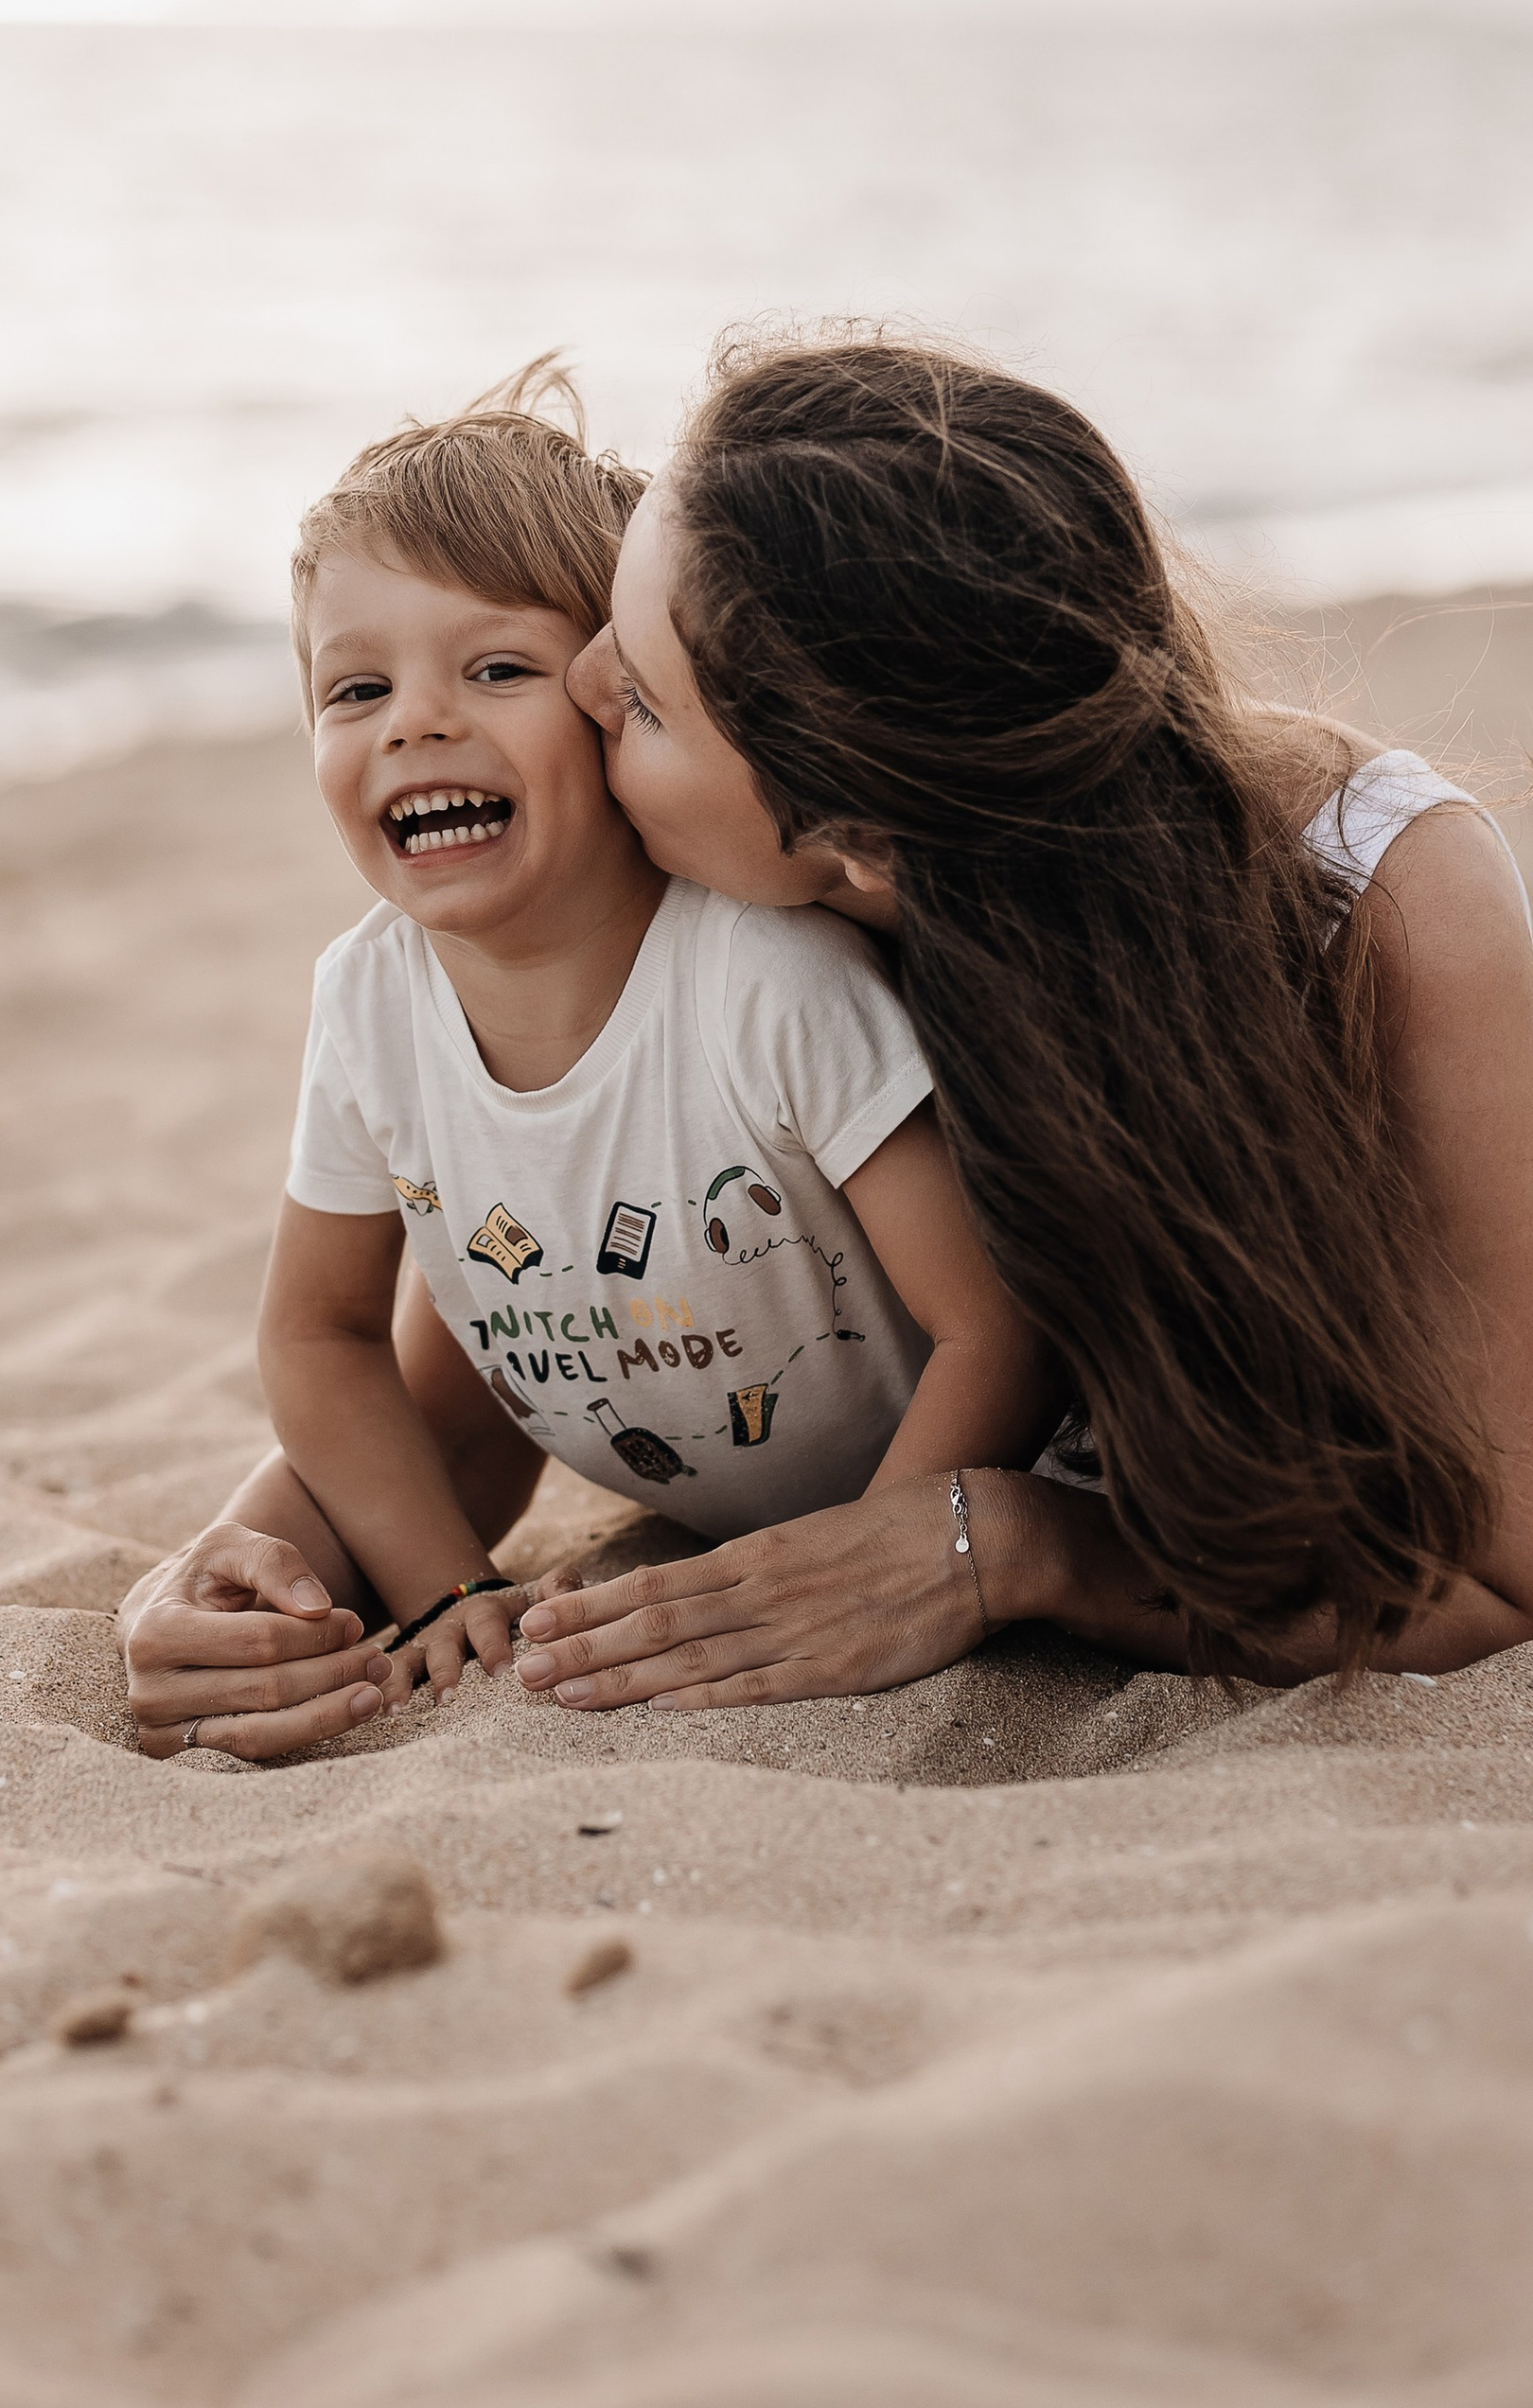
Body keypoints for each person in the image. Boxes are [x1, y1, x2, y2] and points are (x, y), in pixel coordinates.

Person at [502, 331, 1533, 1718]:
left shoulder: (1394, 898)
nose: (579, 680)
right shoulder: (704, 881)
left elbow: (1493, 1585)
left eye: (644, 698)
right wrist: (261, 1538)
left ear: (860, 843)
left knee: (1505, 1263)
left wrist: (1013, 1541)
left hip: (1390, 1114)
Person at [118, 365, 1049, 1763]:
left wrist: (870, 1564)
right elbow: (320, 1336)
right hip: (702, 1503)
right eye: (354, 687)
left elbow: (998, 1325)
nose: (413, 722)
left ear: (618, 707)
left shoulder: (761, 977)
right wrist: (448, 1583)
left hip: (959, 1497)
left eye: (495, 668)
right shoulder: (370, 1000)